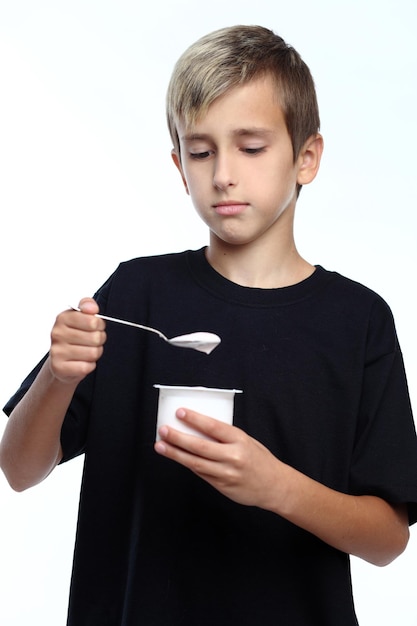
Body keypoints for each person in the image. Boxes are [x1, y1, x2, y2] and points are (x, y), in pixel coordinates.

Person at [1, 24, 417, 626]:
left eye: (251, 147)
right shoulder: (136, 293)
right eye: (201, 151)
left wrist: (276, 487)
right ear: (179, 164)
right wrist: (60, 377)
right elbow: (18, 470)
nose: (223, 174)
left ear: (306, 157)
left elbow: (388, 539)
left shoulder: (358, 320)